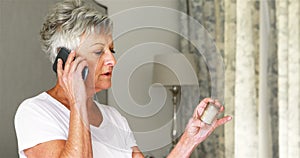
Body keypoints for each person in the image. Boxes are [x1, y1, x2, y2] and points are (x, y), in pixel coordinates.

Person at [14, 0, 232, 157]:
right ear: (66, 60)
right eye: (99, 52)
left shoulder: (114, 118)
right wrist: (78, 101)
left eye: (112, 50)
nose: (112, 61)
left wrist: (188, 140)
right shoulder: (35, 112)